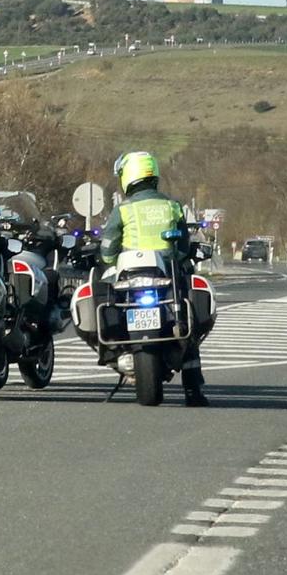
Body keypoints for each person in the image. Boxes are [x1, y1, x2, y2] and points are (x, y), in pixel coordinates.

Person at [100, 151, 208, 406]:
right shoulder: (171, 206)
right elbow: (182, 246)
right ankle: (193, 390)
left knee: (110, 304)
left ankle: (116, 351)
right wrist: (181, 260)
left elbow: (107, 249)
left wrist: (107, 262)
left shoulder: (123, 210)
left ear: (127, 176)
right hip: (167, 276)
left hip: (130, 278)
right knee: (188, 327)